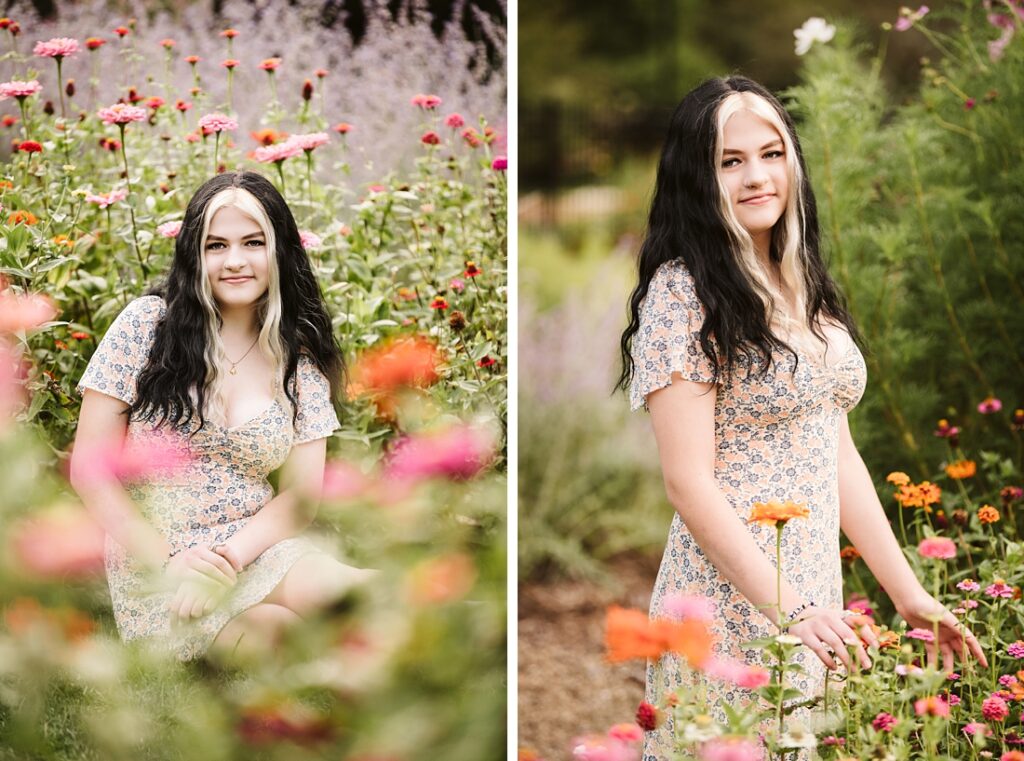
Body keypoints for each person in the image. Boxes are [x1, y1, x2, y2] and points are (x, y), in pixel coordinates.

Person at [616, 76, 986, 759]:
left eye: (772, 152)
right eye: (731, 161)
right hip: (731, 589)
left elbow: (835, 451)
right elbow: (688, 483)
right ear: (696, 176)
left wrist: (907, 595)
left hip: (812, 582)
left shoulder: (801, 279)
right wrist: (790, 608)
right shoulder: (683, 292)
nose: (758, 176)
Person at [70, 170, 371, 662]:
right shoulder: (146, 327)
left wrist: (228, 559)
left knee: (341, 591)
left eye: (253, 243)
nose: (235, 261)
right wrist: (174, 564)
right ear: (195, 254)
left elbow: (300, 496)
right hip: (159, 560)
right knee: (275, 632)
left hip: (252, 548)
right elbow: (90, 471)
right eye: (216, 245)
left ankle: (477, 627)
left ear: (279, 252)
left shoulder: (297, 358)